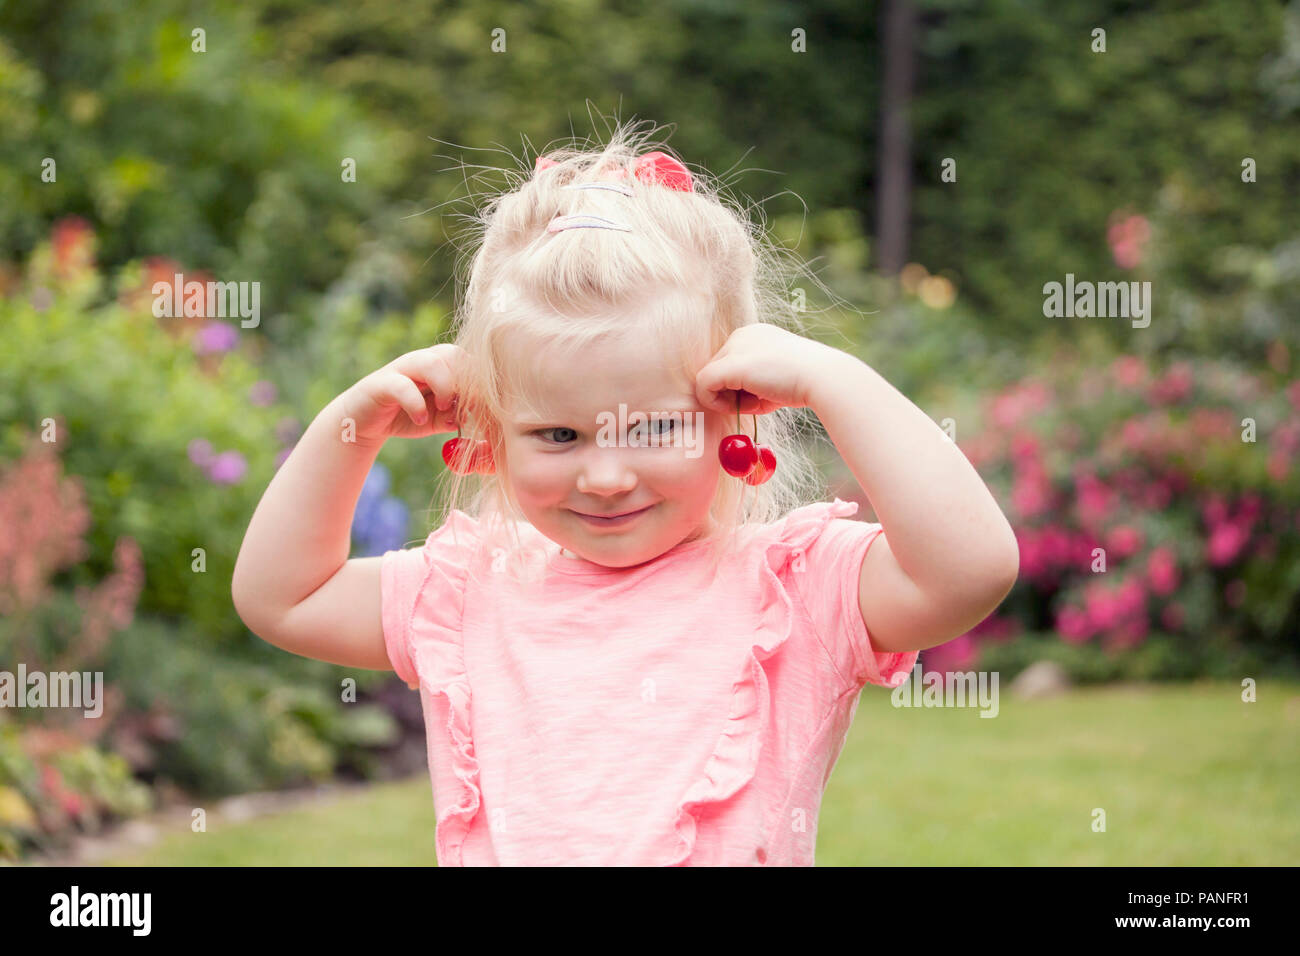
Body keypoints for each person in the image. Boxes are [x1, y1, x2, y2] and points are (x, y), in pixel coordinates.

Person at [231, 122, 1020, 866]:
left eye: (653, 429)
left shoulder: (794, 592)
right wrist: (351, 426)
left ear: (738, 407)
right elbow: (282, 598)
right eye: (558, 435)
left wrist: (832, 378)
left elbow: (969, 570)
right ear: (493, 431)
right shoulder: (467, 593)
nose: (606, 478)